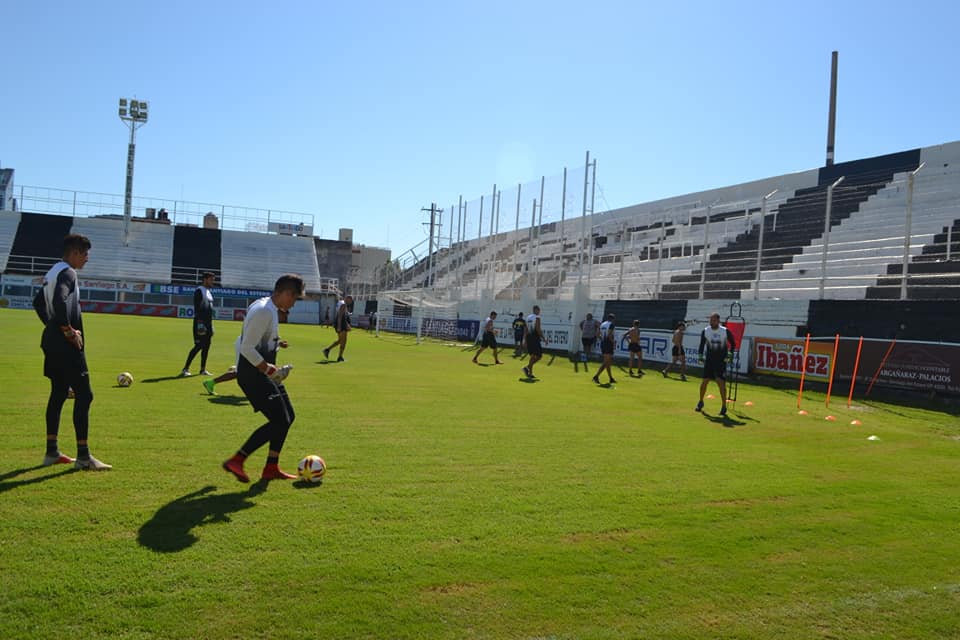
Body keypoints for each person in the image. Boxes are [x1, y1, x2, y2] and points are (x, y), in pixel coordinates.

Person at [34, 234, 111, 470]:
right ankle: (84, 457)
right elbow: (60, 301)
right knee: (85, 395)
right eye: (85, 254)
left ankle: (52, 452)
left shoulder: (53, 272)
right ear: (75, 253)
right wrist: (68, 331)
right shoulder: (68, 272)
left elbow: (38, 303)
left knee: (58, 393)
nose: (87, 259)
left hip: (51, 342)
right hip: (67, 346)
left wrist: (52, 327)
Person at [222, 274, 305, 482]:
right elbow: (247, 348)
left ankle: (271, 467)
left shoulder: (269, 308)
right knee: (279, 420)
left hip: (264, 374)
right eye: (295, 299)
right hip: (253, 376)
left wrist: (277, 344)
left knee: (288, 417)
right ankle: (237, 460)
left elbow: (261, 340)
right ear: (287, 293)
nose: (294, 304)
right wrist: (269, 370)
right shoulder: (263, 311)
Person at [696, 313, 737, 416]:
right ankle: (700, 401)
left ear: (718, 321)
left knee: (721, 383)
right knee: (704, 382)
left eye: (713, 320)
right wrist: (700, 356)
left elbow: (733, 344)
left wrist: (730, 354)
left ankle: (723, 406)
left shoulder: (725, 331)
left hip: (720, 361)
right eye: (710, 320)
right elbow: (701, 344)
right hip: (709, 361)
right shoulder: (705, 331)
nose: (711, 322)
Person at [181, 271, 216, 377]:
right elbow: (198, 309)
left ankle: (202, 369)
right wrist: (201, 325)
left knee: (206, 347)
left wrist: (211, 326)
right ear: (205, 279)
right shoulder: (199, 291)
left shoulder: (208, 292)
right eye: (211, 279)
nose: (213, 281)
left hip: (208, 324)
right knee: (199, 346)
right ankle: (185, 369)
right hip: (200, 323)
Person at [323, 294, 352, 362]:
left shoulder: (340, 302)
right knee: (343, 341)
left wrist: (346, 324)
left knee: (340, 340)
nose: (351, 302)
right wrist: (339, 326)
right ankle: (339, 357)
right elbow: (340, 315)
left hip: (341, 323)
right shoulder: (343, 304)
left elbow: (342, 314)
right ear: (347, 299)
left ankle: (327, 350)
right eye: (350, 300)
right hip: (341, 324)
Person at [522, 305, 548, 378]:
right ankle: (527, 367)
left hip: (529, 338)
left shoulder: (528, 318)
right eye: (538, 310)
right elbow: (538, 329)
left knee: (532, 356)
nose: (539, 312)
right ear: (536, 310)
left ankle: (530, 373)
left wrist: (524, 340)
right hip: (535, 338)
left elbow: (525, 330)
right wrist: (544, 339)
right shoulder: (537, 317)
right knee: (539, 356)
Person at [593, 313, 617, 384]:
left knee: (608, 362)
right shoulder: (611, 324)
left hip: (603, 343)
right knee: (606, 361)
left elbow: (597, 334)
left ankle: (611, 378)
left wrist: (602, 339)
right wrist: (613, 342)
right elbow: (609, 334)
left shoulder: (602, 324)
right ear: (613, 319)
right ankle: (596, 376)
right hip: (608, 343)